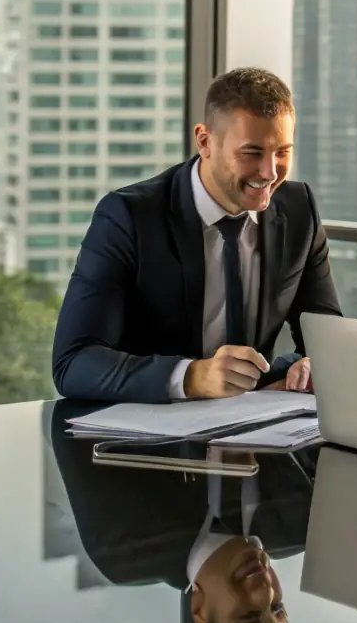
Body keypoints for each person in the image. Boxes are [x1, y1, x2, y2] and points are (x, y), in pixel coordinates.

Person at [52, 67, 341, 403]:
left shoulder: (298, 210)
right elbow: (73, 363)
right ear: (205, 141)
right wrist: (191, 377)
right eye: (252, 153)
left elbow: (327, 338)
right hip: (145, 440)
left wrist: (307, 366)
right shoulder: (128, 217)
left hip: (256, 432)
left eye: (282, 152)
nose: (270, 172)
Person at [50, 401, 313, 623]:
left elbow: (70, 421)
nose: (265, 591)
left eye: (248, 615)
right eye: (277, 607)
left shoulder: (125, 550)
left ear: (200, 614)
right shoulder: (299, 526)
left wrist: (195, 390)